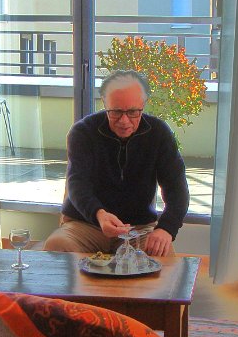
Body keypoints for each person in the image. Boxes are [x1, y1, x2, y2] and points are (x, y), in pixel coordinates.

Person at [43, 70, 190, 257]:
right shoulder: (83, 132)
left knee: (163, 254)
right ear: (105, 104)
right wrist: (99, 214)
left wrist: (166, 229)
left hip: (137, 228)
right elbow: (77, 184)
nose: (124, 120)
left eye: (133, 112)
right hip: (87, 224)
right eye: (116, 112)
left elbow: (177, 189)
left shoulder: (159, 133)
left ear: (143, 105)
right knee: (56, 245)